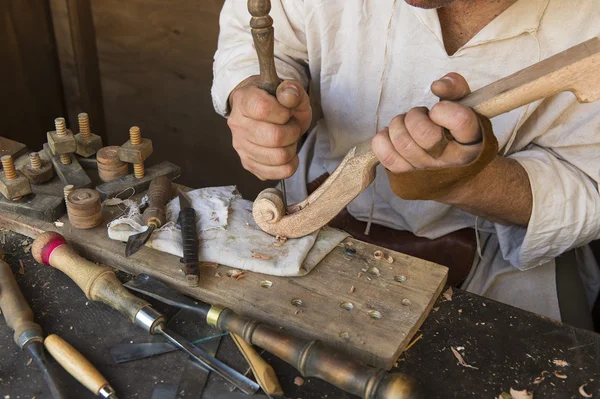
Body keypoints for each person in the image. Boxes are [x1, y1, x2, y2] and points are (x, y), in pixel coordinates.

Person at [212, 0, 600, 326]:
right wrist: (252, 94)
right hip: (311, 213)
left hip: (494, 267)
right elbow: (265, 32)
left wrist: (473, 183)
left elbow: (589, 183)